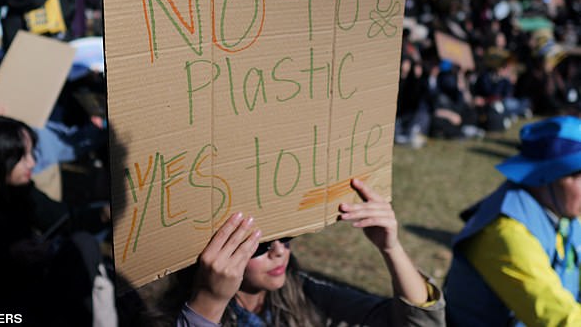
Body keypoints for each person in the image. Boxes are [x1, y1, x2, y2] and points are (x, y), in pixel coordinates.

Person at [146, 178, 445, 326]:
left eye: (286, 236)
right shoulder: (164, 316)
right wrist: (208, 303)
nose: (280, 251)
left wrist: (390, 247)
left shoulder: (301, 292)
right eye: (258, 243)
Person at [0, 115, 116, 325]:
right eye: (22, 156)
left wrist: (104, 213)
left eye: (31, 153)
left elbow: (63, 219)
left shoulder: (21, 191)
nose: (33, 163)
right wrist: (7, 257)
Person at [444, 115, 581, 326]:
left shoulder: (564, 212)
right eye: (578, 174)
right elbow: (559, 320)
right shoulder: (505, 234)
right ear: (545, 177)